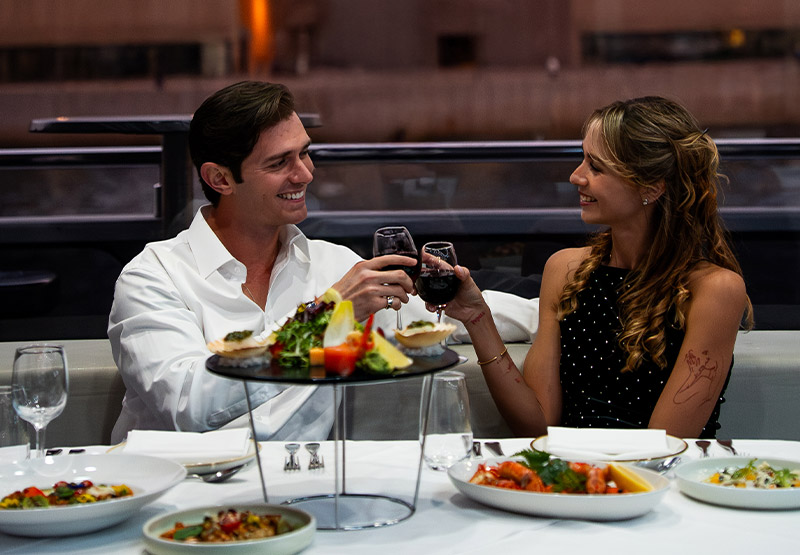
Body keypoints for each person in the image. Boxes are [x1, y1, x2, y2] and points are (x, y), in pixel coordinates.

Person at [108, 80, 537, 443]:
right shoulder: (152, 277)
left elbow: (433, 319)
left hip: (307, 491)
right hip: (182, 499)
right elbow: (189, 404)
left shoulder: (332, 266)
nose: (305, 174)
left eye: (305, 153)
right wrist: (325, 315)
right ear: (220, 179)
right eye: (280, 162)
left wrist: (556, 309)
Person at [442, 96, 753, 439]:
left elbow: (665, 445)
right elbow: (536, 424)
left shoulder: (714, 290)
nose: (576, 176)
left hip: (657, 484)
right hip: (573, 478)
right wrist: (477, 318)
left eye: (596, 166)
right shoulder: (565, 270)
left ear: (651, 187)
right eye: (583, 159)